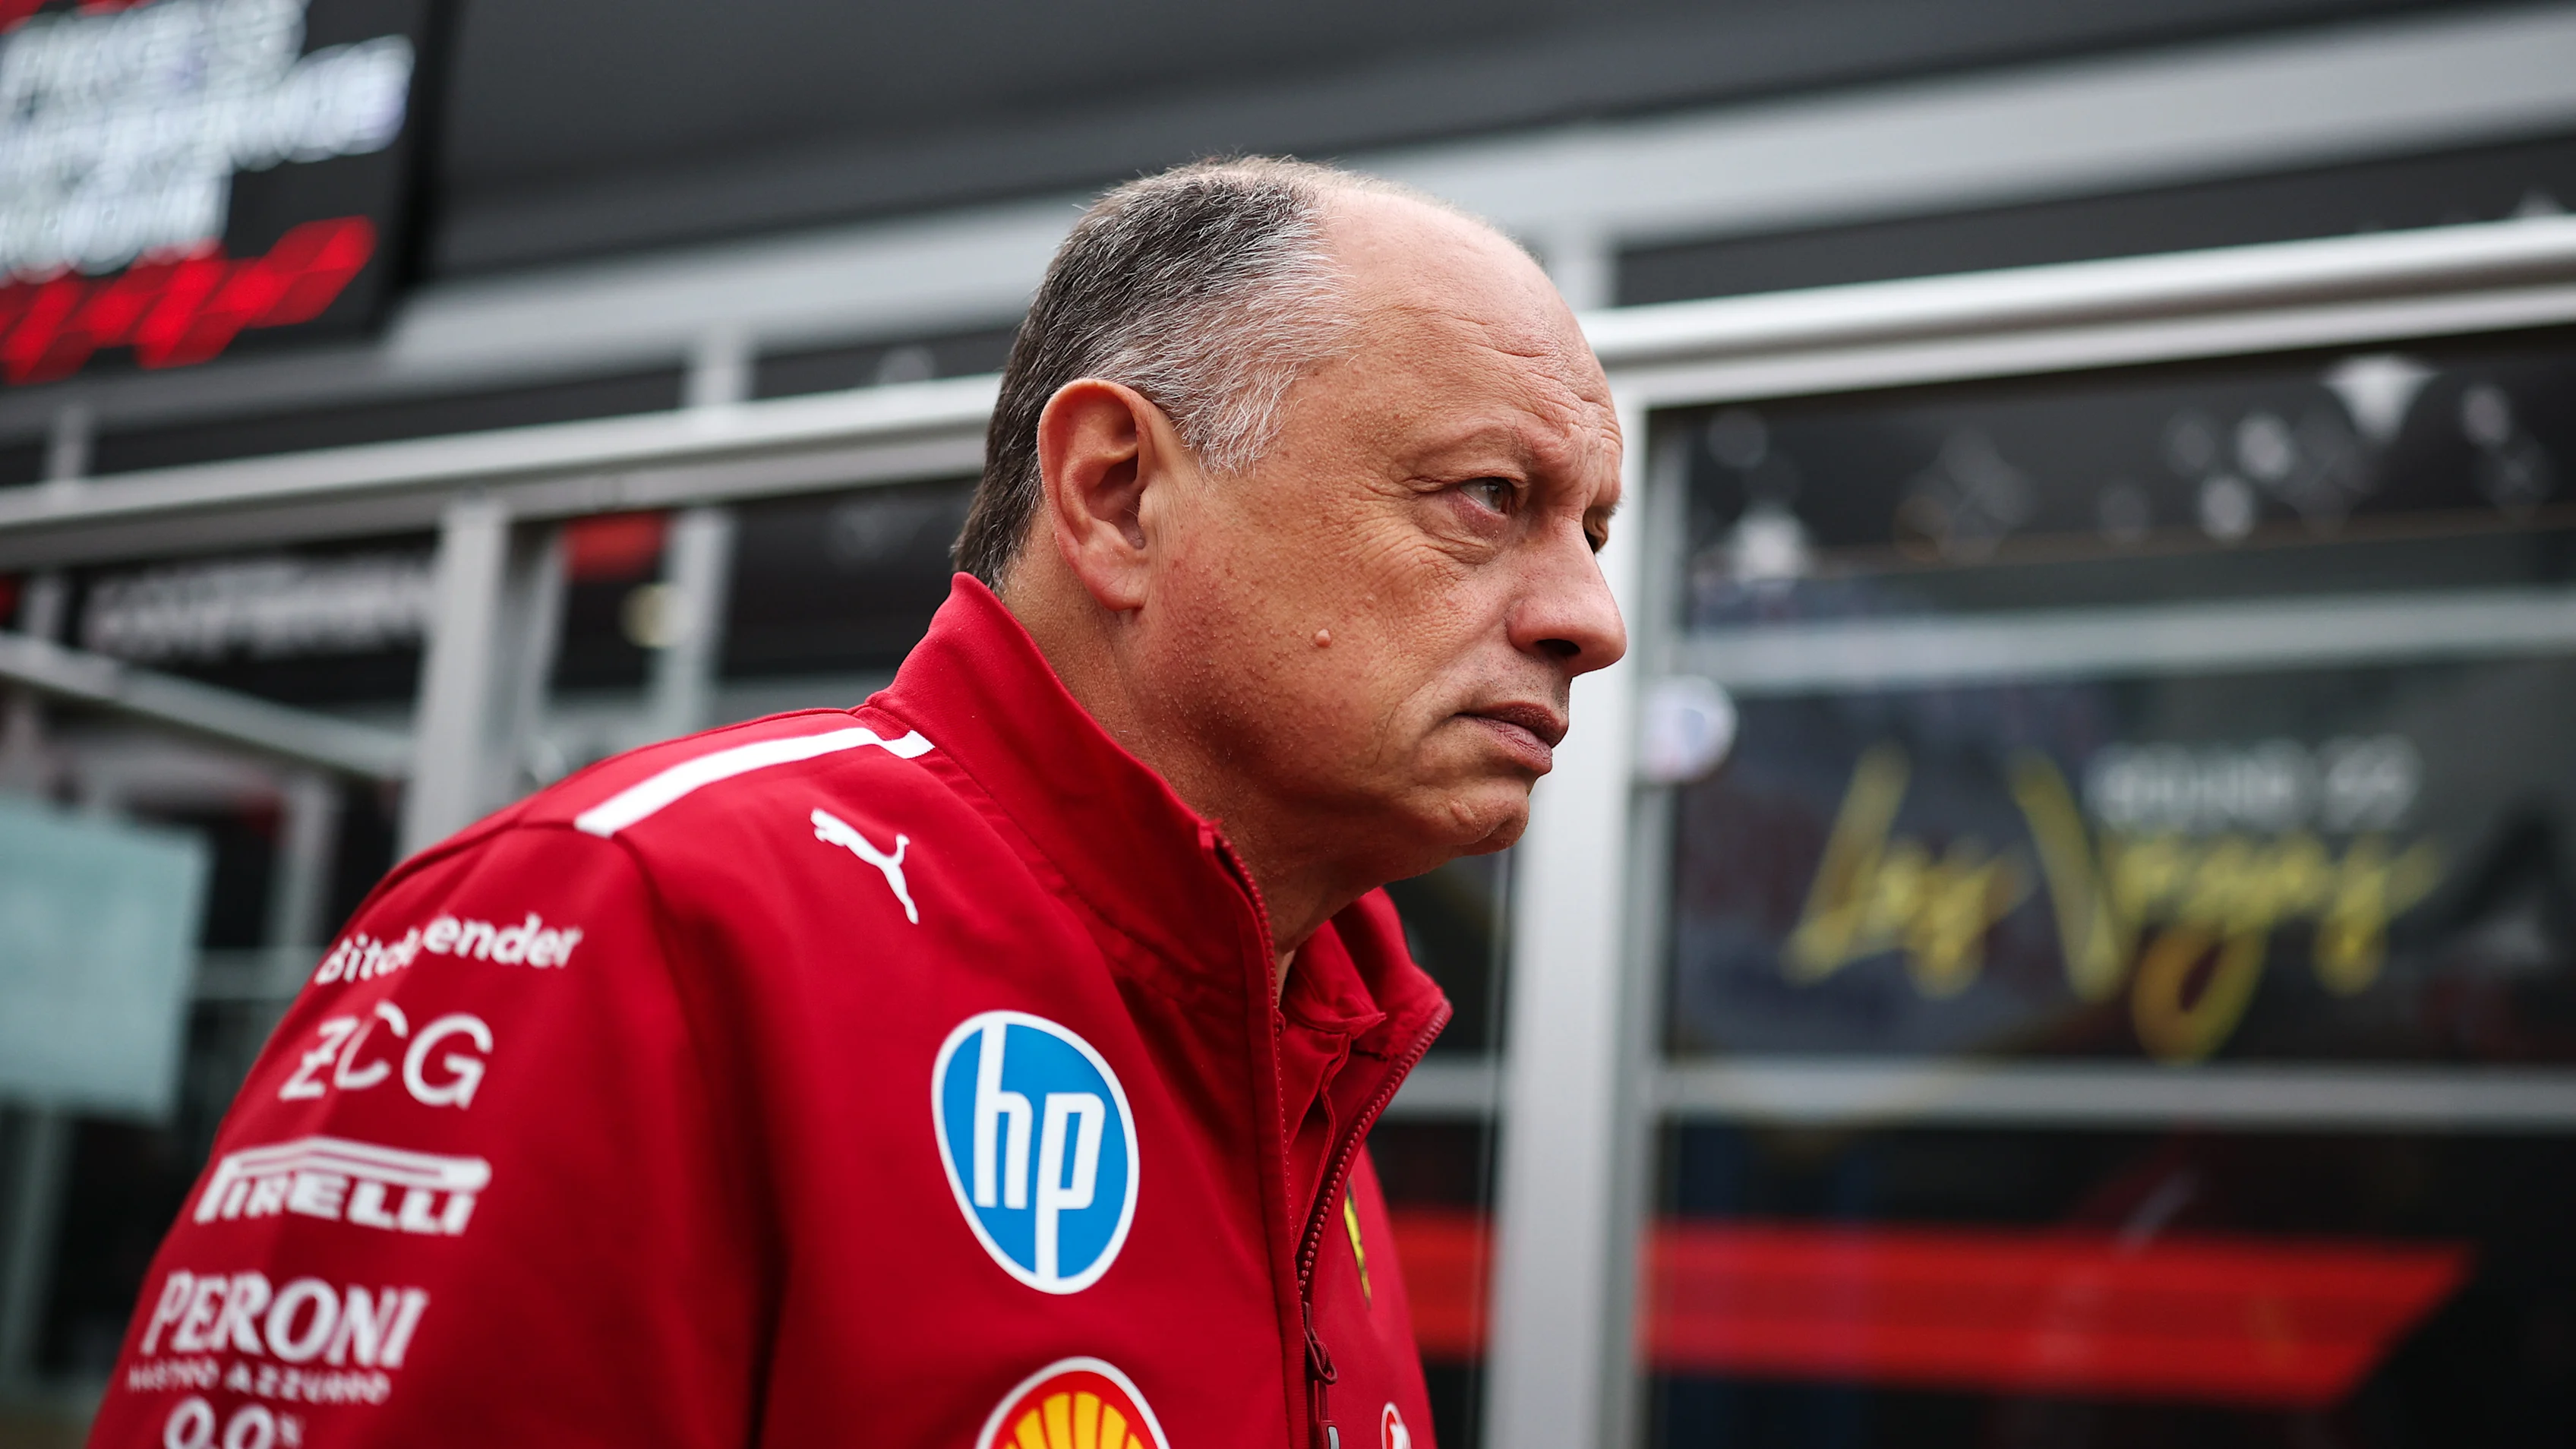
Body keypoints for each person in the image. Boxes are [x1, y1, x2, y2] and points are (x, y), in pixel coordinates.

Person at [87, 157, 1624, 1449]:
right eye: (1487, 499)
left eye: (1594, 531)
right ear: (1114, 493)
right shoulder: (627, 909)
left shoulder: (1307, 1035)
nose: (1587, 618)